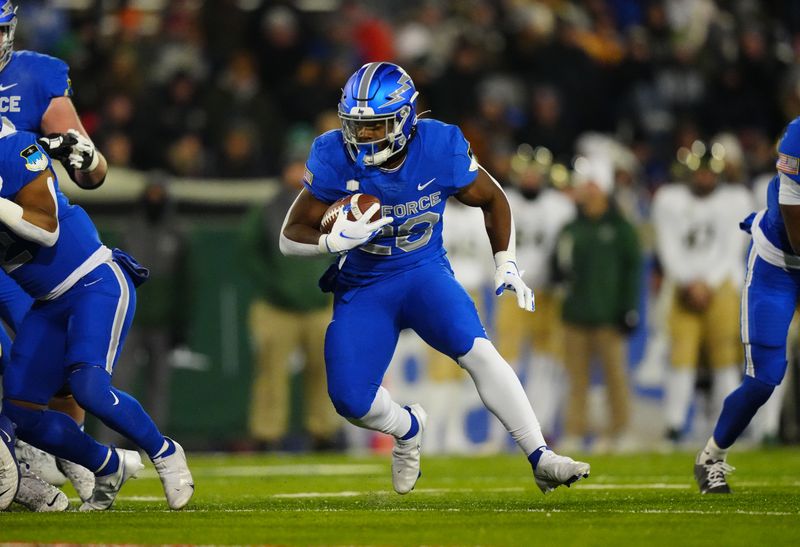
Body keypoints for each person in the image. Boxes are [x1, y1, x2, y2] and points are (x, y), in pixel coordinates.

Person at [280, 62, 589, 494]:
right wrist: (330, 243)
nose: (362, 137)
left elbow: (493, 198)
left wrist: (506, 263)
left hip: (423, 272)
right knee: (350, 400)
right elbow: (289, 236)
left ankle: (540, 455)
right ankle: (407, 427)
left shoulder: (439, 145)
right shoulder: (334, 155)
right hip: (365, 284)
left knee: (479, 352)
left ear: (404, 120)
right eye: (357, 126)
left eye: (375, 126)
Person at [0, 119, 193, 511]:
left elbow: (46, 228)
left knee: (88, 388)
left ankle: (165, 451)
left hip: (93, 282)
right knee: (20, 413)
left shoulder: (16, 149)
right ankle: (107, 464)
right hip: (48, 302)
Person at [0, 0, 109, 504]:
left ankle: (70, 451)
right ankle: (18, 467)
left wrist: (84, 156)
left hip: (23, 244)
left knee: (56, 359)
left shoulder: (37, 74)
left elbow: (90, 170)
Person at [695, 117, 800, 493]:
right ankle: (711, 457)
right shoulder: (797, 139)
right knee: (765, 377)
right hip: (779, 264)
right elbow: (797, 234)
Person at [653, 146, 753, 447]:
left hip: (720, 284)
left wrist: (706, 283)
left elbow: (732, 248)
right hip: (683, 285)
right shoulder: (669, 199)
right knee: (680, 355)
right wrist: (688, 281)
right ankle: (674, 425)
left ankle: (729, 425)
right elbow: (667, 247)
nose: (705, 177)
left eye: (710, 171)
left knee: (725, 357)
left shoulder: (735, 199)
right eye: (700, 171)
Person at [240, 158, 340, 451]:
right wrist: (273, 284)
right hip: (277, 307)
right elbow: (248, 251)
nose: (298, 173)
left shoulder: (331, 203)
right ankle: (267, 434)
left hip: (319, 303)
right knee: (271, 373)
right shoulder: (269, 207)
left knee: (324, 370)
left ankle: (324, 431)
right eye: (294, 166)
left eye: (304, 166)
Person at [553, 159, 641, 453]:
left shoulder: (620, 228)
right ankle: (574, 431)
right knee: (576, 380)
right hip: (575, 315)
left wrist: (629, 308)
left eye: (592, 185)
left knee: (616, 378)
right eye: (584, 186)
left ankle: (622, 430)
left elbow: (633, 271)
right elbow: (557, 268)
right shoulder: (570, 228)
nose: (586, 192)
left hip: (609, 315)